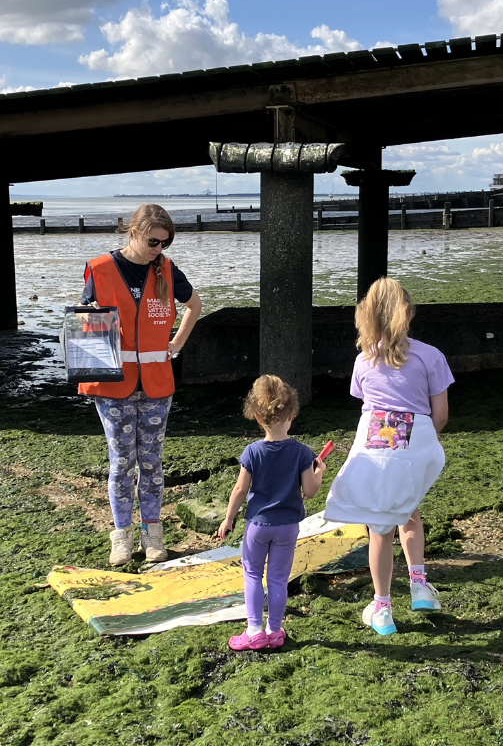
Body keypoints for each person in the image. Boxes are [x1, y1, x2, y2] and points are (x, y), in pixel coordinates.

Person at [323, 277, 454, 635]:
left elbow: (365, 405)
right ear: (408, 313)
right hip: (416, 441)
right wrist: (419, 446)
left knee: (380, 526)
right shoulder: (431, 356)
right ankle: (419, 585)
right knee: (408, 510)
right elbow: (440, 415)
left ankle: (382, 607)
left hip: (376, 441)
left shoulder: (363, 360)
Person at [79, 204, 202, 566]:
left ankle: (152, 534)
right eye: (153, 242)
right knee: (122, 463)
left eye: (165, 243)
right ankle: (121, 537)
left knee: (151, 463)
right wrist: (93, 321)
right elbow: (80, 320)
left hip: (156, 384)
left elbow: (195, 305)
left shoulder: (167, 270)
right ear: (134, 233)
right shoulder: (99, 269)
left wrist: (176, 344)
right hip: (112, 384)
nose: (158, 249)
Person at [217, 375, 327, 651]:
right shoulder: (302, 452)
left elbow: (240, 490)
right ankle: (275, 631)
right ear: (291, 415)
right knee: (278, 579)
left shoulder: (252, 452)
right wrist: (320, 472)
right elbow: (311, 490)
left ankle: (254, 630)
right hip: (288, 526)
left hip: (258, 525)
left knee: (253, 574)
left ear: (257, 417)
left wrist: (228, 518)